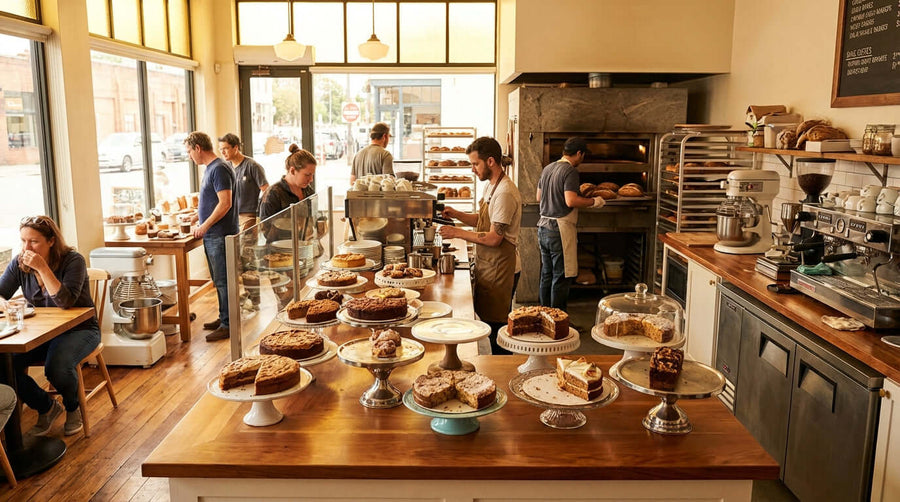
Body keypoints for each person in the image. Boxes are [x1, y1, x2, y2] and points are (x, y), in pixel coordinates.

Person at [0, 215, 100, 436]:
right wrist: (4, 303)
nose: (27, 247)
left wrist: (42, 268)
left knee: (57, 366)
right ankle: (46, 406)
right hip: (42, 332)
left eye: (34, 241)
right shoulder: (19, 263)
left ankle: (73, 407)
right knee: (3, 365)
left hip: (80, 329)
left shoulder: (73, 260)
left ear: (51, 241)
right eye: (23, 241)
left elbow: (65, 302)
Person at [438, 137, 521, 355]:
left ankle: (502, 374)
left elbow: (494, 237)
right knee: (490, 326)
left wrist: (456, 232)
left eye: (475, 164)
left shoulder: (505, 192)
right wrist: (456, 214)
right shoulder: (491, 186)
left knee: (499, 333)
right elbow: (482, 220)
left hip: (502, 267)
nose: (472, 169)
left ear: (491, 161)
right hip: (489, 264)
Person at [536, 137, 605, 310]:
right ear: (579, 153)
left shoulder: (548, 168)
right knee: (561, 276)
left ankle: (545, 317)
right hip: (559, 229)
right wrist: (595, 201)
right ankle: (559, 321)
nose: (582, 160)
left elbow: (538, 197)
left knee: (547, 274)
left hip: (543, 227)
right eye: (583, 156)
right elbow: (571, 201)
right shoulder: (570, 171)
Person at [186, 132, 238, 342]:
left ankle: (228, 324)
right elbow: (213, 201)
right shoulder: (213, 169)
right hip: (214, 233)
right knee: (219, 280)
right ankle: (224, 317)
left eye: (189, 151)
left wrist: (204, 225)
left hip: (219, 234)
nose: (189, 156)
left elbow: (225, 203)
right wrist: (196, 215)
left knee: (224, 281)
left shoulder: (218, 169)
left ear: (198, 148)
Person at [218, 133, 269, 236]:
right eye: (220, 149)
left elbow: (267, 191)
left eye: (225, 148)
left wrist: (261, 215)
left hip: (248, 217)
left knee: (247, 249)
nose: (222, 152)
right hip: (230, 216)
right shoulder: (225, 167)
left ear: (236, 147)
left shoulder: (252, 166)